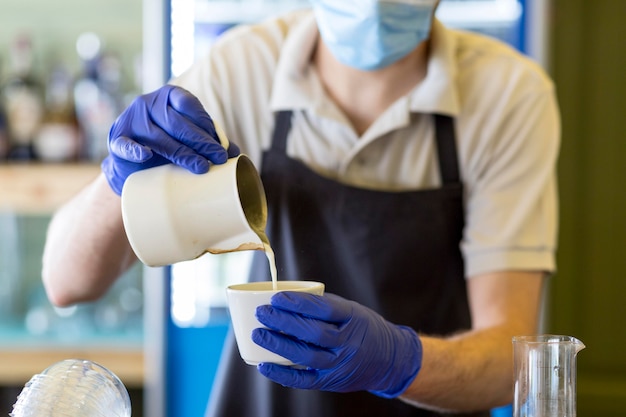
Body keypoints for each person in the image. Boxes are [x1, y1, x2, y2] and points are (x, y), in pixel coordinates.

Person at [41, 0, 559, 416]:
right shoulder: (243, 69)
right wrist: (119, 178)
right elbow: (66, 282)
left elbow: (508, 363)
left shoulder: (507, 96)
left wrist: (397, 362)